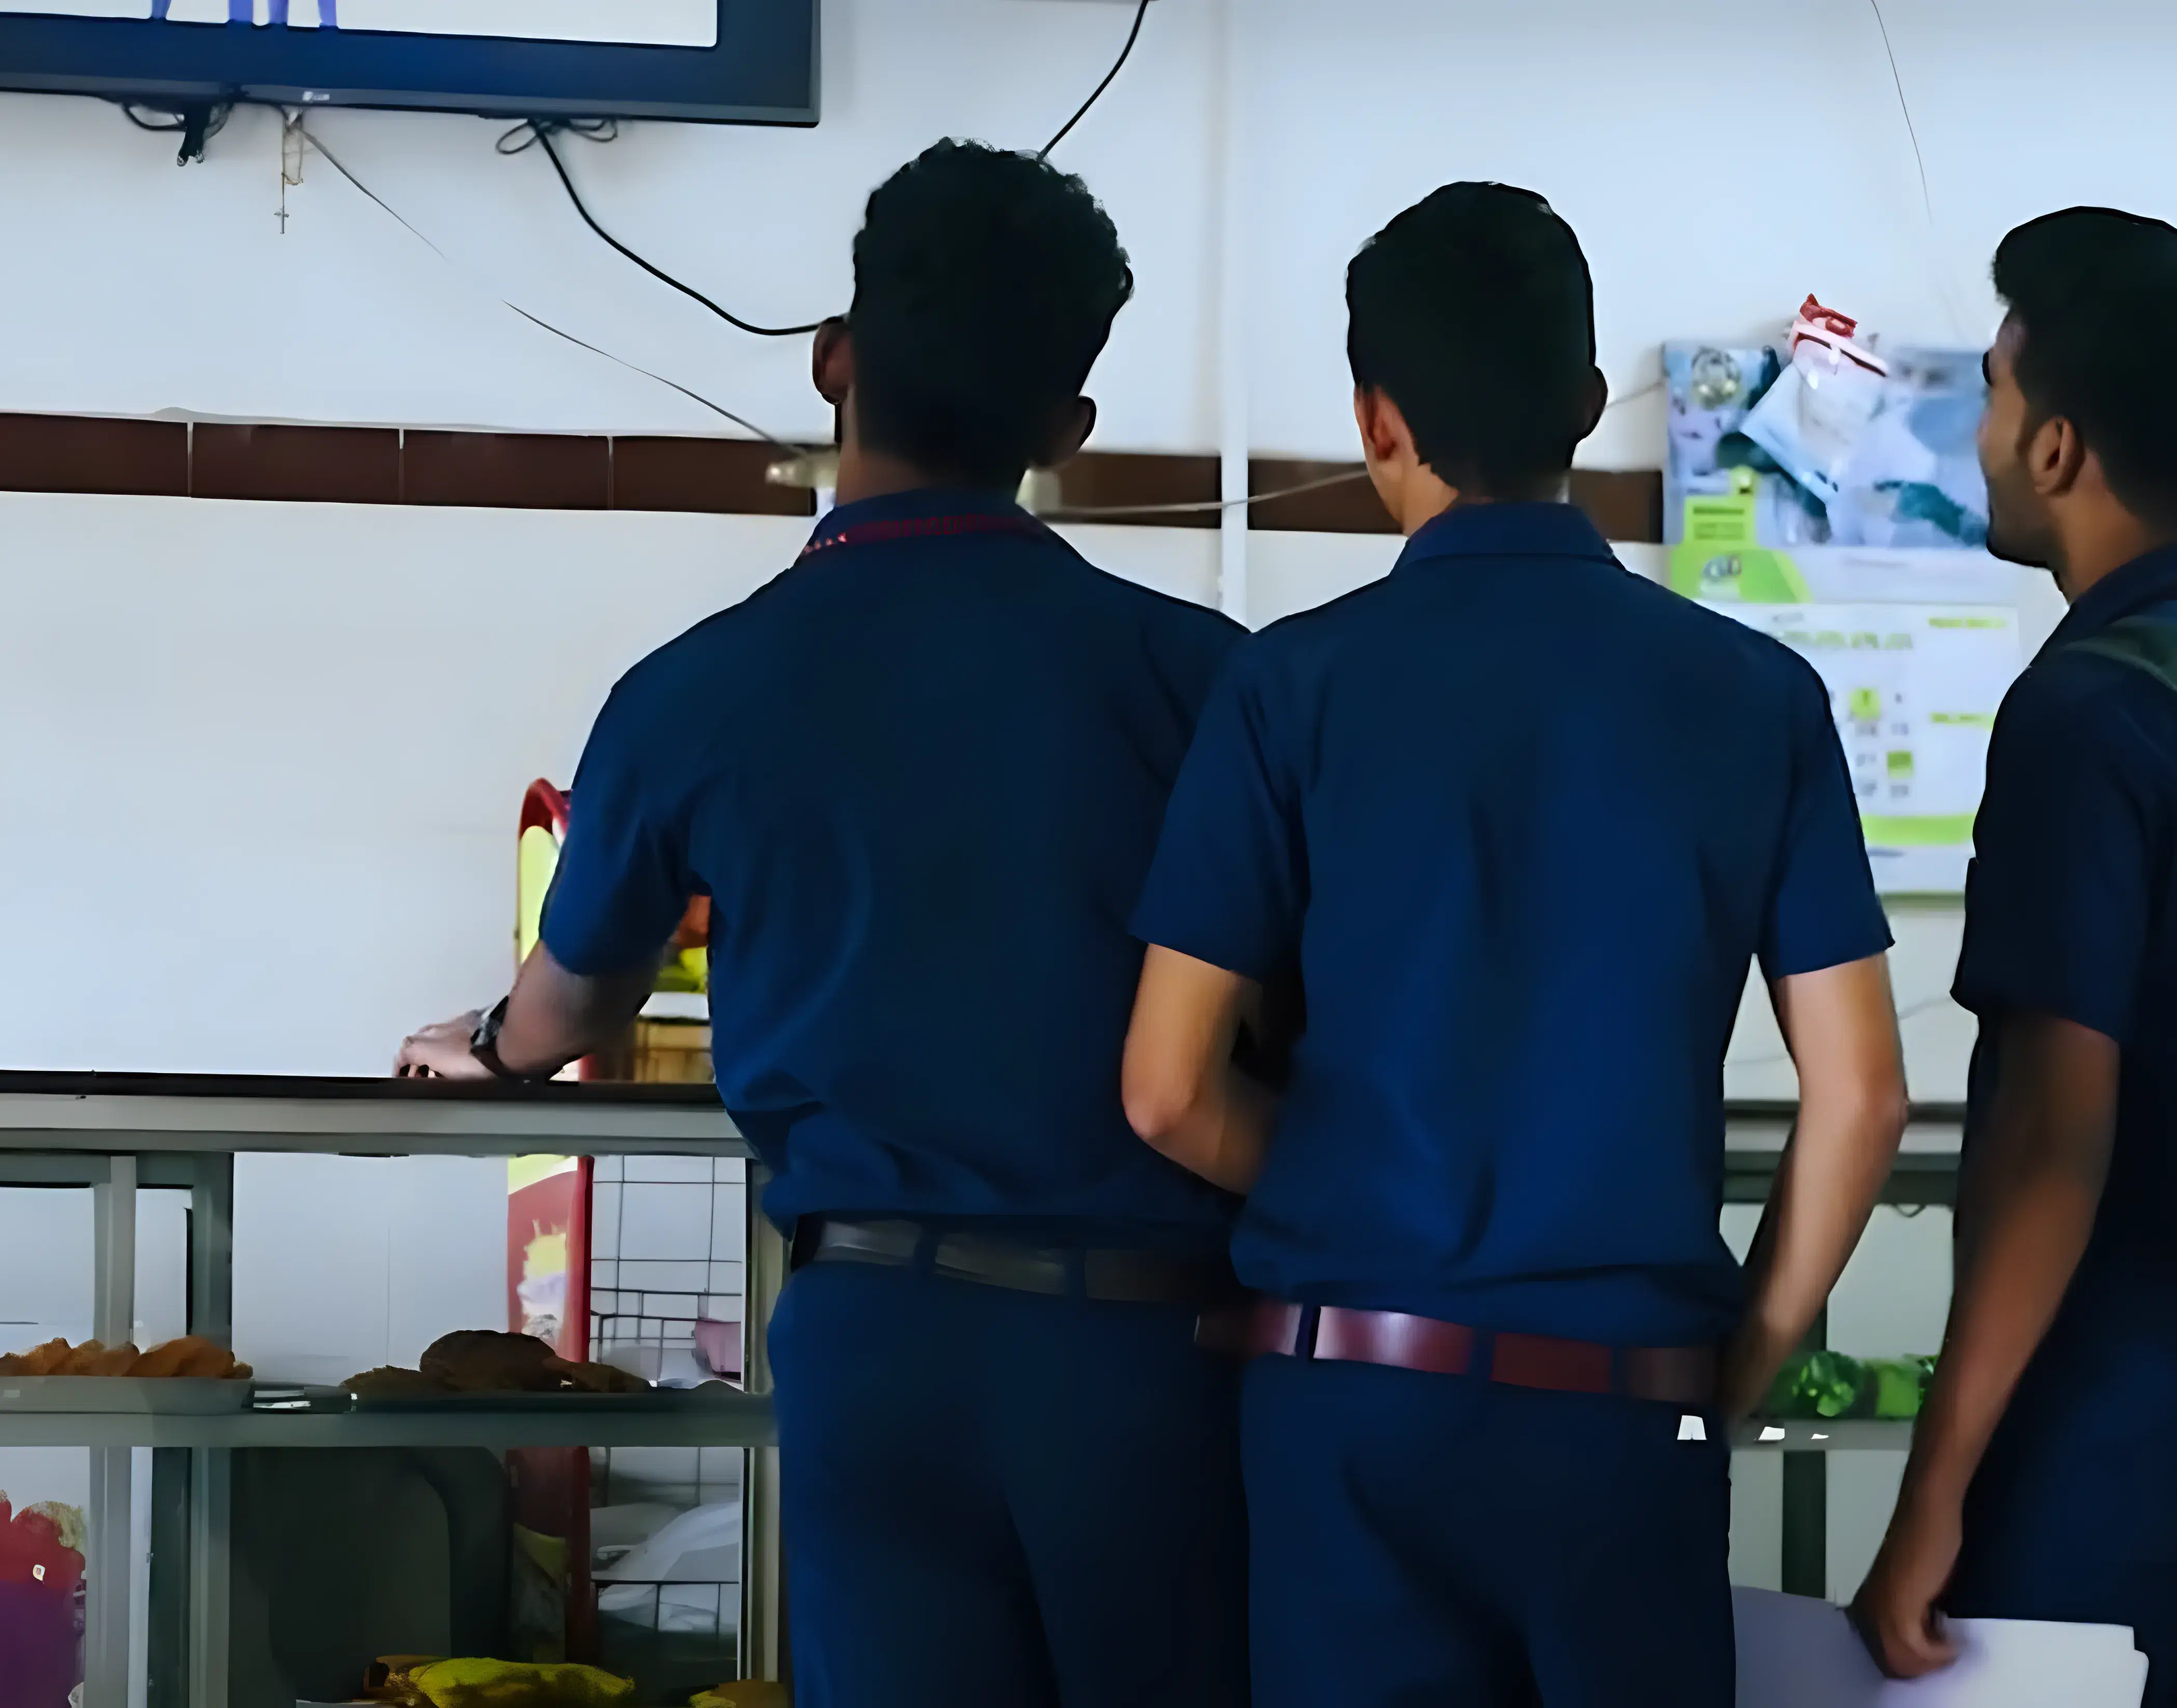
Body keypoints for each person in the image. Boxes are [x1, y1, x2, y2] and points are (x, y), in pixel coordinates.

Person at [394, 141, 1251, 1708]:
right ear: (1068, 427)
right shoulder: (1202, 682)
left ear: (831, 362)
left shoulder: (692, 691)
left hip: (875, 1340)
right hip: (1155, 1351)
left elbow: (575, 1000)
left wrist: (486, 1047)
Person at [1120, 181, 1911, 1707]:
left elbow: (1162, 1089)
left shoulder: (1291, 692)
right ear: (1578, 403)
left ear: (1374, 420)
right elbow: (1863, 1095)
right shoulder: (1755, 697)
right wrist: (1740, 1358)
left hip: (1344, 1399)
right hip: (1627, 1409)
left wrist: (1351, 1176)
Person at [1846, 206, 2177, 1707]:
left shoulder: (2087, 717)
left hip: (2099, 1419)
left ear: (2055, 446)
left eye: (1993, 390)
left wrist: (1935, 1485)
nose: (1980, 429)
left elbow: (2056, 1134)